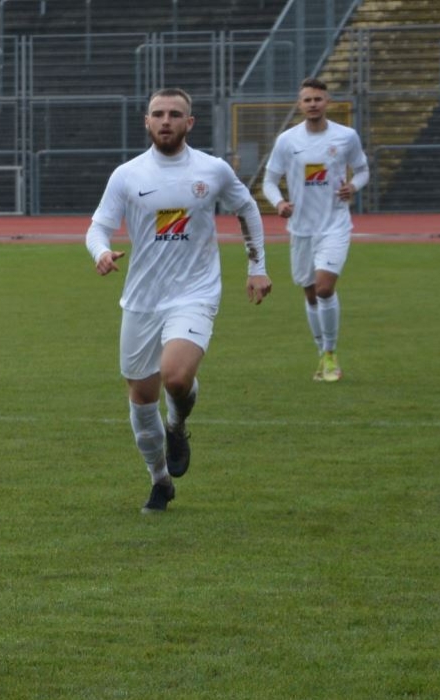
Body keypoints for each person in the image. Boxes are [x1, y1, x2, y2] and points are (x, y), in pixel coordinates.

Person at [85, 88, 272, 514]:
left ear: (190, 123)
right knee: (140, 396)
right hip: (142, 300)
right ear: (146, 122)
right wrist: (100, 252)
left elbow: (248, 210)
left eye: (175, 114)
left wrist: (256, 266)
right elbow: (98, 227)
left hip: (195, 293)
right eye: (158, 114)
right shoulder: (127, 175)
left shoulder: (213, 170)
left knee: (175, 378)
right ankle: (159, 480)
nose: (165, 120)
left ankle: (178, 423)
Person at [262, 77, 369, 382]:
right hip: (301, 229)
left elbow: (362, 170)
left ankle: (332, 353)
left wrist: (353, 186)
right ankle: (322, 352)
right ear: (300, 104)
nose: (312, 104)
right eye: (307, 99)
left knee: (324, 288)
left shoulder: (346, 136)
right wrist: (279, 202)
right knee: (310, 295)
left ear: (327, 102)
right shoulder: (287, 141)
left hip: (334, 225)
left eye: (317, 99)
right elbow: (269, 180)